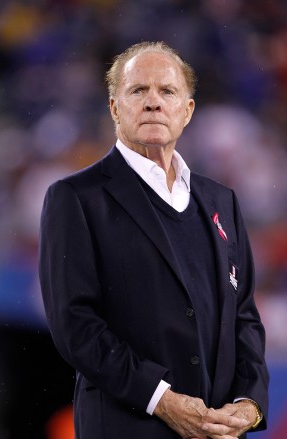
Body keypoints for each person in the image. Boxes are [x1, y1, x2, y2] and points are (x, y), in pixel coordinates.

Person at [39, 41, 269, 439]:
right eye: (137, 90)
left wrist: (248, 404)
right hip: (126, 426)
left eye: (167, 91)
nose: (152, 102)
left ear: (187, 110)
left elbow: (244, 316)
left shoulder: (222, 200)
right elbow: (75, 325)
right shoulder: (75, 198)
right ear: (114, 108)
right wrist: (162, 399)